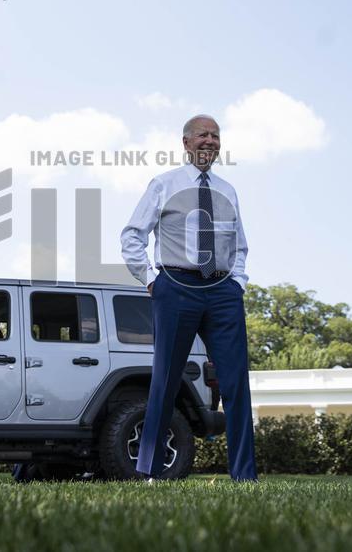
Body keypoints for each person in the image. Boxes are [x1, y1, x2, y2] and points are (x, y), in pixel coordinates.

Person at [120, 114, 257, 481]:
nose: (209, 141)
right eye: (202, 135)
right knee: (165, 380)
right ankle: (149, 470)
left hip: (223, 292)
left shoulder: (228, 191)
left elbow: (240, 245)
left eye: (215, 135)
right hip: (176, 287)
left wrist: (238, 282)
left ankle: (245, 477)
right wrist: (152, 280)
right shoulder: (164, 184)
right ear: (185, 143)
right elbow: (133, 235)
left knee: (236, 383)